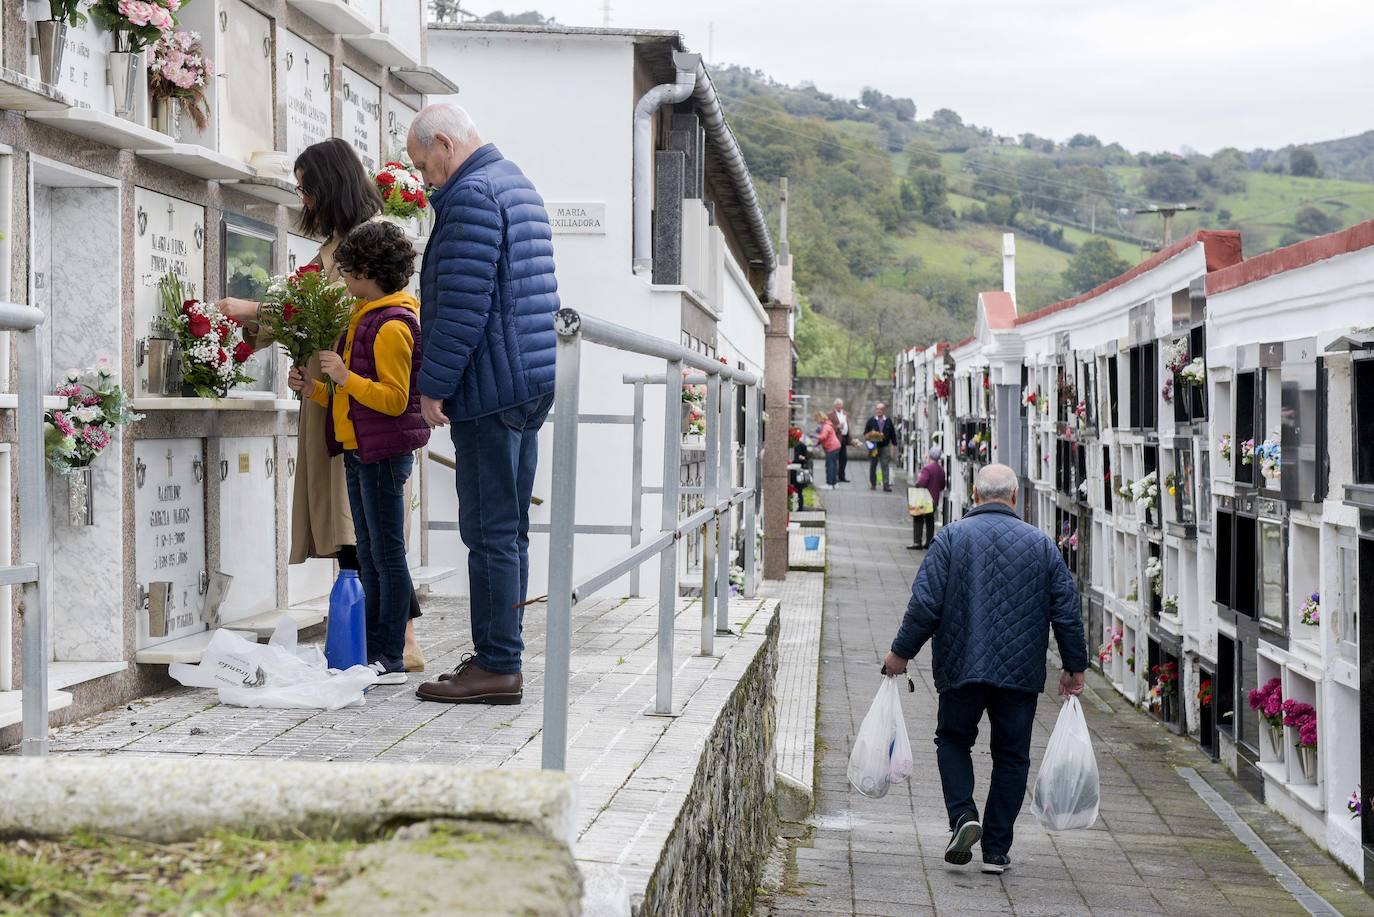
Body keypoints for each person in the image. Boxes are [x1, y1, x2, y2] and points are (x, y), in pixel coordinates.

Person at [218, 138, 426, 672]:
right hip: (330, 395)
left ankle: (396, 642)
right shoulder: (339, 242)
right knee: (363, 529)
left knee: (367, 533)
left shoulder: (362, 244)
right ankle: (381, 638)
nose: (303, 199)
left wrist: (252, 310)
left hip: (355, 406)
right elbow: (312, 307)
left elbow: (323, 308)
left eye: (308, 188)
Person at [406, 104, 558, 706]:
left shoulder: (470, 196)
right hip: (525, 383)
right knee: (509, 531)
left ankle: (497, 666)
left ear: (444, 143)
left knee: (489, 531)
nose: (425, 181)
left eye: (425, 167)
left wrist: (433, 386)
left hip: (490, 391)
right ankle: (501, 654)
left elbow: (464, 305)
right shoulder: (514, 181)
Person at [881, 464, 1088, 875]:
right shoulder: (1043, 546)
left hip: (962, 667)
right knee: (1012, 757)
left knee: (953, 739)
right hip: (1020, 673)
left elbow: (925, 604)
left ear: (975, 496)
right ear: (1015, 498)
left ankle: (963, 817)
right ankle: (996, 850)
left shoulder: (951, 539)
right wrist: (1074, 667)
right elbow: (1066, 611)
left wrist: (900, 654)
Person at [291, 221, 429, 683]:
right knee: (369, 553)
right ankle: (372, 648)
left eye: (349, 273)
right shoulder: (366, 317)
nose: (344, 282)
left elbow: (394, 399)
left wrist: (346, 377)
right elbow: (350, 400)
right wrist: (315, 388)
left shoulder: (392, 325)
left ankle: (390, 655)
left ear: (369, 271)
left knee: (387, 555)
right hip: (359, 449)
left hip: (382, 454)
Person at [909, 446, 946, 550]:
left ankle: (917, 542)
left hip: (924, 499)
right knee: (930, 520)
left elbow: (922, 483)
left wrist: (917, 483)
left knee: (918, 518)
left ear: (930, 456)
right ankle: (929, 542)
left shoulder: (927, 468)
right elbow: (942, 485)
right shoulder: (941, 470)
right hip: (934, 499)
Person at [863, 402, 896, 492]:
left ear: (884, 410)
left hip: (885, 446)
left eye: (881, 409)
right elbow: (865, 433)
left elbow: (893, 434)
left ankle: (886, 485)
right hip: (874, 447)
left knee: (885, 465)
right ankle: (873, 484)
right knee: (873, 466)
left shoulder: (888, 421)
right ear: (875, 410)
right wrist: (870, 436)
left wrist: (894, 445)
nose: (879, 411)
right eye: (877, 409)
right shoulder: (871, 421)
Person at [814, 411, 842, 489]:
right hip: (836, 446)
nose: (817, 422)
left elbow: (823, 437)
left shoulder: (826, 426)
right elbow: (824, 437)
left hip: (831, 448)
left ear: (820, 418)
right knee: (834, 466)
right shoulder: (828, 424)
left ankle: (829, 484)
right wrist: (817, 444)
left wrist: (814, 436)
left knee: (829, 466)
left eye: (817, 420)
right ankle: (835, 484)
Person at [827, 399, 851, 483]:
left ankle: (842, 476)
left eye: (841, 405)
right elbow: (827, 426)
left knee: (844, 458)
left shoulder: (845, 413)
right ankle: (835, 476)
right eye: (839, 405)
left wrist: (850, 437)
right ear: (835, 405)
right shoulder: (830, 414)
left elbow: (847, 425)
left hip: (844, 438)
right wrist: (837, 427)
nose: (841, 406)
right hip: (835, 439)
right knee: (835, 458)